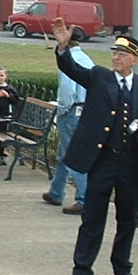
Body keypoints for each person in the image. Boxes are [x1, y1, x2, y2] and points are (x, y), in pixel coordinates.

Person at [52, 20, 138, 275]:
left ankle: (122, 268)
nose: (116, 57)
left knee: (127, 219)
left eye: (122, 55)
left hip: (131, 162)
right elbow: (71, 68)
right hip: (103, 161)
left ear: (134, 59)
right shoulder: (99, 77)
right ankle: (81, 272)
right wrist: (63, 46)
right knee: (92, 217)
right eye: (114, 53)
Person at [43, 34, 90, 216]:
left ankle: (83, 198)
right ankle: (56, 191)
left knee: (73, 154)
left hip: (71, 110)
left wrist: (61, 109)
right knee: (66, 153)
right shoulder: (85, 58)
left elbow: (67, 91)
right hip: (83, 109)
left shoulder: (67, 61)